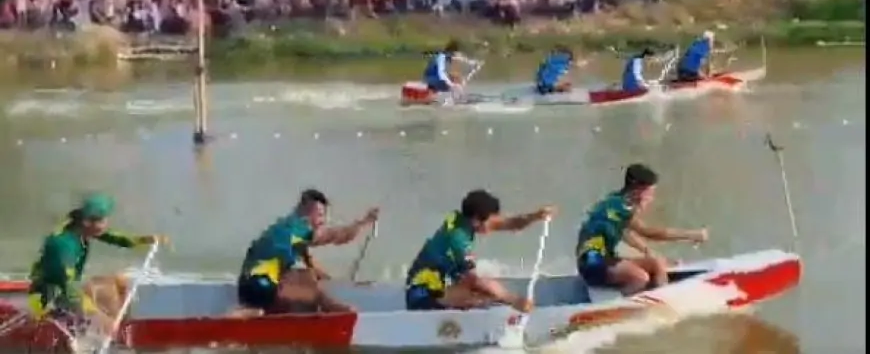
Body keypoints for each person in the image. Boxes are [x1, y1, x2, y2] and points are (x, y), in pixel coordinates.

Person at [27, 192, 164, 332]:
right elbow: (69, 287)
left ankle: (106, 328)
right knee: (87, 306)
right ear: (88, 222)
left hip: (64, 288)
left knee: (115, 283)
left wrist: (145, 240)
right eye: (104, 221)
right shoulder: (63, 244)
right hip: (45, 298)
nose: (106, 225)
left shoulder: (83, 228)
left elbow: (116, 238)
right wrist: (98, 317)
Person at [405, 189, 554, 312]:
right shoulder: (458, 239)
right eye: (491, 221)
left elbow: (510, 223)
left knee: (488, 293)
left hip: (437, 289)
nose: (495, 224)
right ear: (477, 219)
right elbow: (474, 281)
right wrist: (513, 300)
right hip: (421, 296)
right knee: (480, 292)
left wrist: (536, 216)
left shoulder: (464, 220)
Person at [236, 189, 379, 315]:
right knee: (314, 292)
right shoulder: (300, 228)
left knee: (307, 282)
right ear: (306, 211)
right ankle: (349, 316)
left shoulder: (285, 229)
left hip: (246, 288)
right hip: (262, 286)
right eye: (320, 215)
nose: (323, 221)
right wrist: (364, 222)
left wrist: (341, 284)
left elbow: (313, 267)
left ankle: (251, 313)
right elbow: (337, 236)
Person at [575, 164, 708, 296]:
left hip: (600, 260)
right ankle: (616, 308)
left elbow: (624, 232)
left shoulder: (615, 201)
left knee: (656, 263)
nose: (651, 199)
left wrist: (647, 251)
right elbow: (650, 232)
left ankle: (662, 301)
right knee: (640, 278)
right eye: (650, 193)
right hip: (592, 263)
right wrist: (692, 235)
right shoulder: (622, 208)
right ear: (638, 191)